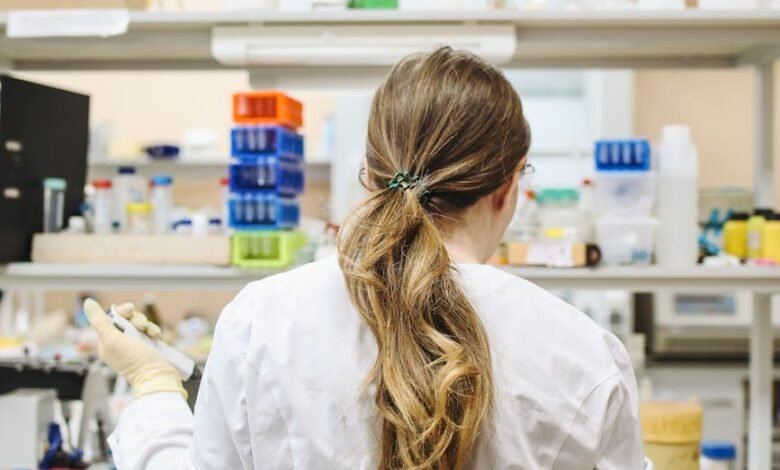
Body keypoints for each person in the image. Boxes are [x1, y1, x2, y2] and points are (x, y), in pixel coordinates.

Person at [84, 47, 644, 469]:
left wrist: (155, 390)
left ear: (370, 177)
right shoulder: (583, 355)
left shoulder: (261, 322)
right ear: (509, 187)